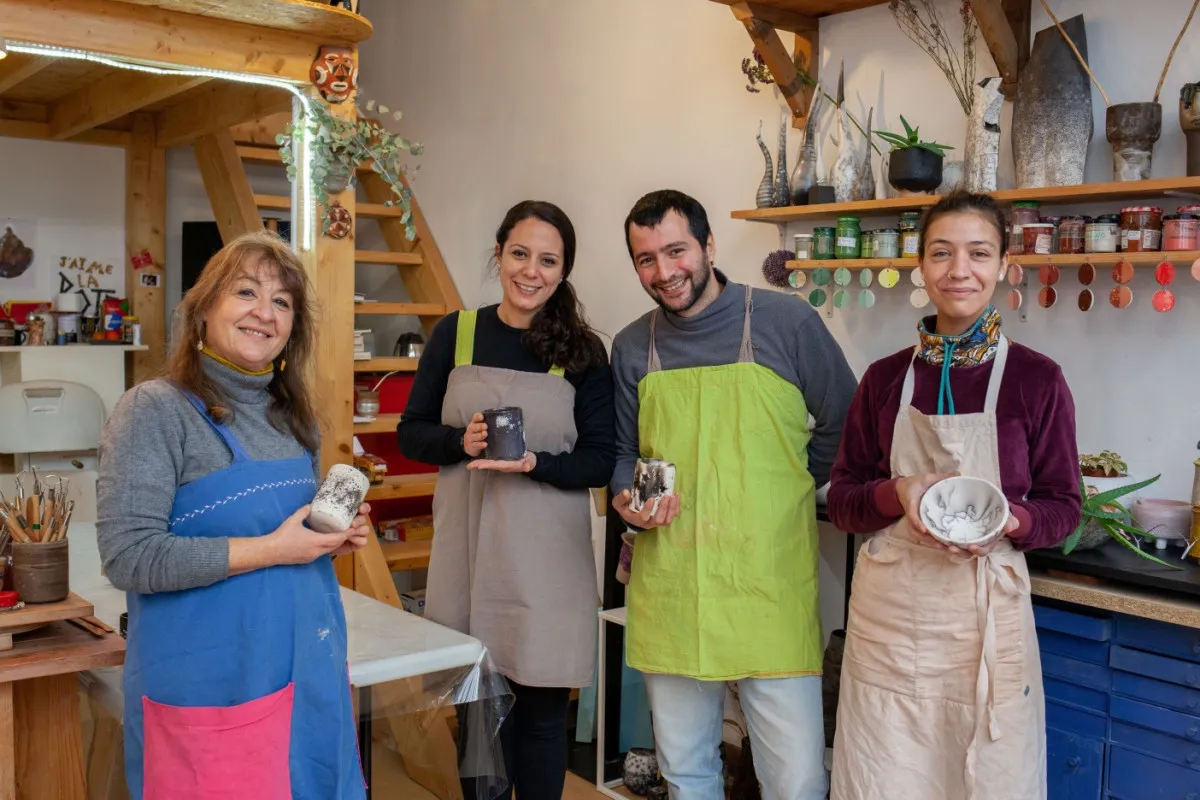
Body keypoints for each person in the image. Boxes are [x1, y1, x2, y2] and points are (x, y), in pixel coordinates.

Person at [97, 230, 372, 799]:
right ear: (203, 311)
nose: (264, 313)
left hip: (305, 670)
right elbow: (129, 557)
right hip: (211, 682)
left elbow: (289, 533)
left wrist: (328, 536)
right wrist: (274, 549)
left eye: (281, 301)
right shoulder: (155, 409)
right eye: (245, 292)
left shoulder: (294, 417)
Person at [825, 190, 1082, 800]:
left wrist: (1010, 522)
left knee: (989, 777)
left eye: (978, 253)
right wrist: (900, 491)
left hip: (985, 620)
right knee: (886, 775)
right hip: (892, 617)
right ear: (921, 266)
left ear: (1003, 266)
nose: (958, 270)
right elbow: (843, 500)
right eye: (941, 253)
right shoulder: (885, 378)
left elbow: (1064, 507)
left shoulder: (1037, 379)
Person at [610, 189, 857, 800]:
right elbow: (624, 455)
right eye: (646, 260)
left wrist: (791, 476)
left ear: (708, 246)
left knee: (795, 780)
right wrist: (627, 499)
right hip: (673, 585)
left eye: (676, 251)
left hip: (766, 586)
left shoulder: (785, 321)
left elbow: (848, 421)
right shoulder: (631, 346)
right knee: (687, 772)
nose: (664, 273)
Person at [397, 200, 615, 800]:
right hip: (468, 556)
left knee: (543, 717)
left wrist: (534, 463)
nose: (531, 271)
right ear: (499, 254)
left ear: (564, 270)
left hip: (547, 563)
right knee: (477, 721)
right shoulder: (456, 332)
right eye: (520, 253)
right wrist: (455, 441)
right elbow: (410, 431)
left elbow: (600, 458)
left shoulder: (583, 352)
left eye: (549, 260)